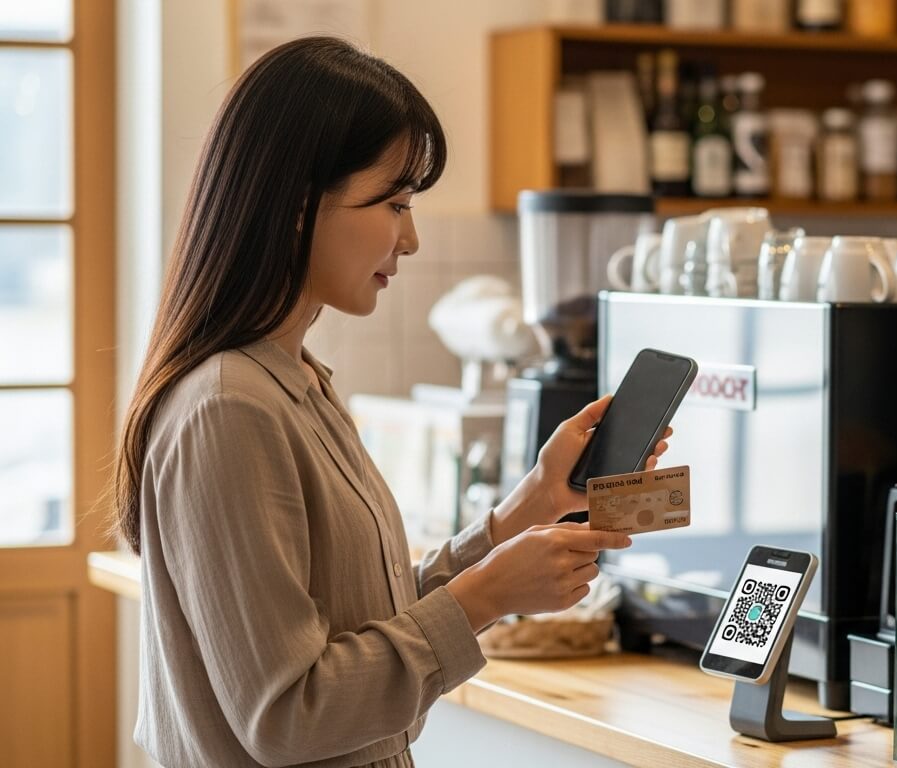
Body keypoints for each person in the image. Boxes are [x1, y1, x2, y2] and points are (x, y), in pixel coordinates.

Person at [109, 37, 669, 767]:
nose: (411, 239)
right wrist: (485, 597)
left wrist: (530, 505)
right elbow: (288, 715)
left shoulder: (299, 383)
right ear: (299, 205)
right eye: (396, 204)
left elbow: (371, 620)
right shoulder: (229, 409)